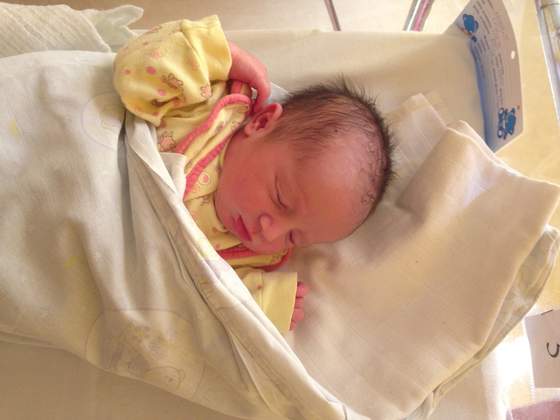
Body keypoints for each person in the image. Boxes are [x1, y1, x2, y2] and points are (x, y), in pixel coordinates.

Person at [113, 15, 393, 334]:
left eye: (293, 237)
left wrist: (263, 302)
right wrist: (220, 55)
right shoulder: (207, 109)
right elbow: (136, 69)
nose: (269, 234)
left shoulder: (246, 253)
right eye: (280, 199)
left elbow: (199, 296)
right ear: (260, 124)